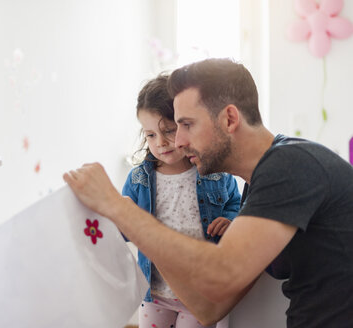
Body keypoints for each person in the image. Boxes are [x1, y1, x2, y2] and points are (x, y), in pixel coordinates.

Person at [63, 58, 353, 328]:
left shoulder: (291, 164)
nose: (178, 140)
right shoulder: (258, 188)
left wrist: (119, 208)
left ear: (229, 119)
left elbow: (221, 275)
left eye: (186, 124)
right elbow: (207, 308)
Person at [123, 73, 241, 328]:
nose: (161, 143)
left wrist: (231, 219)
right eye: (150, 135)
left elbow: (236, 204)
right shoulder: (138, 180)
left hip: (199, 293)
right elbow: (123, 222)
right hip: (155, 293)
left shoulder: (215, 172)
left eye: (168, 131)